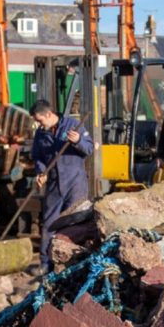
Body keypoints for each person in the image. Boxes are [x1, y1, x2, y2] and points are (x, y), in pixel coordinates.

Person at [28, 99, 94, 271]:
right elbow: (37, 156)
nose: (39, 125)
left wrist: (78, 140)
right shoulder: (41, 133)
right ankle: (45, 265)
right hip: (55, 183)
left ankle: (76, 264)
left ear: (49, 115)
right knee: (50, 223)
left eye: (40, 120)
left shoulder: (73, 126)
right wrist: (41, 172)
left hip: (75, 181)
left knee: (76, 223)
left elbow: (89, 149)